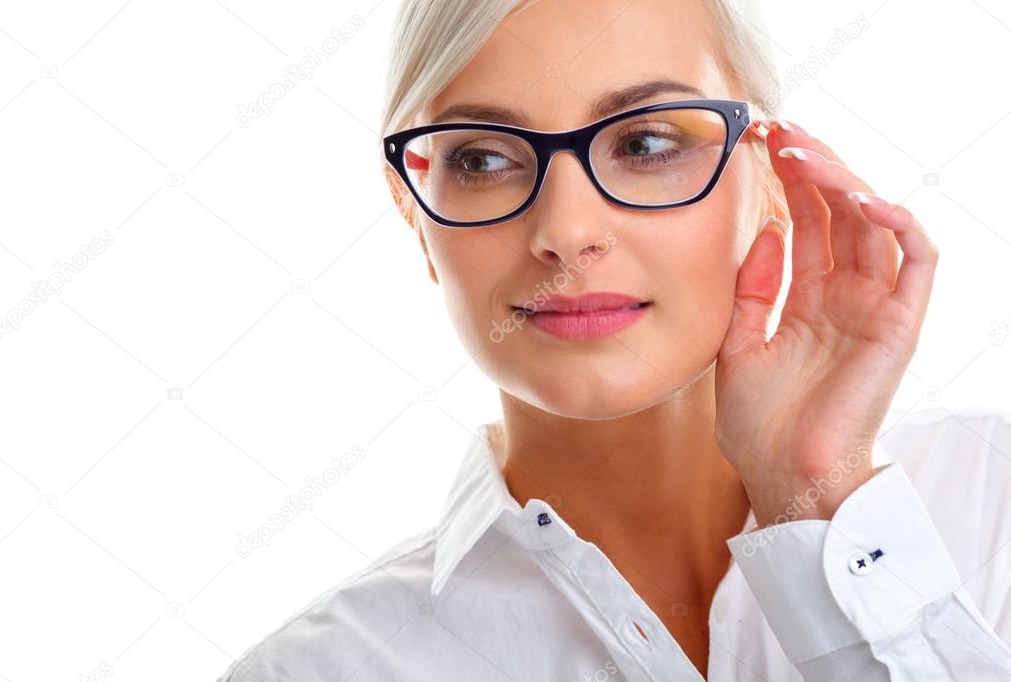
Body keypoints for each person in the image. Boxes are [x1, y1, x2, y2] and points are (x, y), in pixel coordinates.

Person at [217, 0, 1011, 679]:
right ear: (414, 215)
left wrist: (818, 493)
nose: (565, 232)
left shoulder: (991, 502)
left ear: (767, 177)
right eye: (484, 158)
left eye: (646, 145)